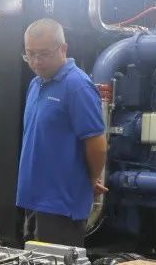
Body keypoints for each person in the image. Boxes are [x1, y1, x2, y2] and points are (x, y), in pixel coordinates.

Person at [16, 19, 107, 248]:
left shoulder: (77, 86)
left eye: (44, 54)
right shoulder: (36, 84)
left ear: (63, 48)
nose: (36, 62)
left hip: (61, 204)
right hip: (34, 198)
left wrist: (90, 179)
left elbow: (97, 143)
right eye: (30, 54)